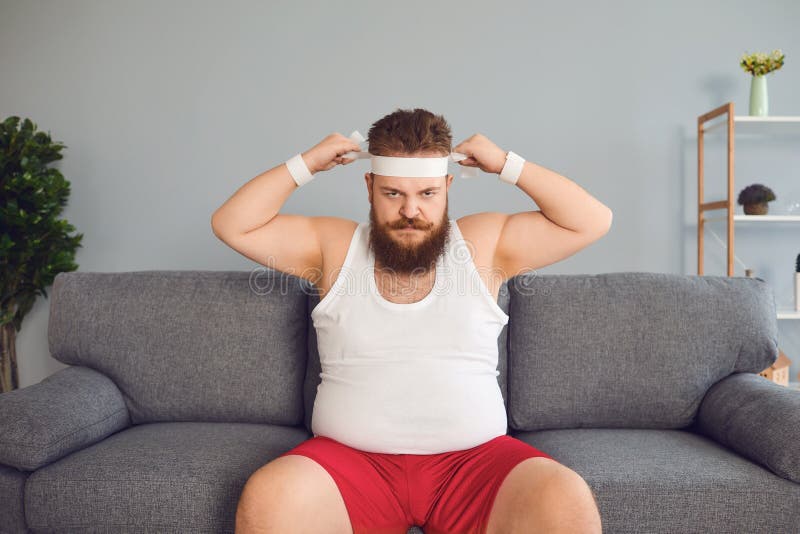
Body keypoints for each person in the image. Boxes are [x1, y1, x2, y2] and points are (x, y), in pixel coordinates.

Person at [212, 108, 611, 534]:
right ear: (369, 186)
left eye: (426, 194)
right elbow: (232, 225)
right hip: (350, 464)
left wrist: (507, 164)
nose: (410, 211)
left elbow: (592, 220)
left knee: (565, 499)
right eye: (392, 194)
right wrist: (306, 164)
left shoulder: (483, 244)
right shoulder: (332, 247)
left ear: (448, 187)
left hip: (475, 464)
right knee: (268, 497)